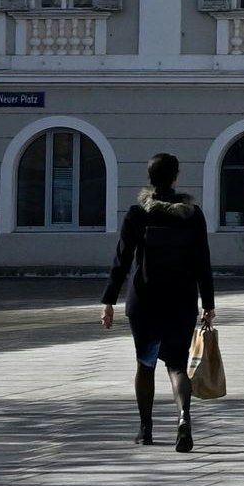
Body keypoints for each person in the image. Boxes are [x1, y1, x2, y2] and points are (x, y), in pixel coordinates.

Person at [101, 154, 215, 451]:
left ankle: (145, 429)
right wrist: (209, 303)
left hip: (145, 302)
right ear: (176, 178)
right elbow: (203, 262)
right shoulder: (192, 214)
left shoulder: (138, 214)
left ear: (149, 178)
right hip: (181, 300)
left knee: (146, 363)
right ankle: (183, 418)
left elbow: (122, 260)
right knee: (177, 366)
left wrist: (109, 301)